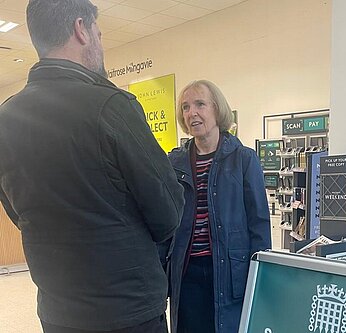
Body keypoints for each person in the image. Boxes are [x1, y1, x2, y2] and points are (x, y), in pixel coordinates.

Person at [0, 0, 184, 332]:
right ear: (81, 29)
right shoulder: (112, 107)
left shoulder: (6, 120)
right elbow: (168, 213)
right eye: (99, 32)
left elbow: (18, 213)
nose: (101, 42)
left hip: (58, 312)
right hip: (127, 312)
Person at [164, 80, 271, 333]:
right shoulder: (174, 162)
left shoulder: (243, 159)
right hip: (186, 272)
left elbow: (259, 223)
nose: (192, 113)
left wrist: (261, 278)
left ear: (217, 109)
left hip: (228, 271)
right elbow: (165, 221)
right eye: (186, 107)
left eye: (200, 104)